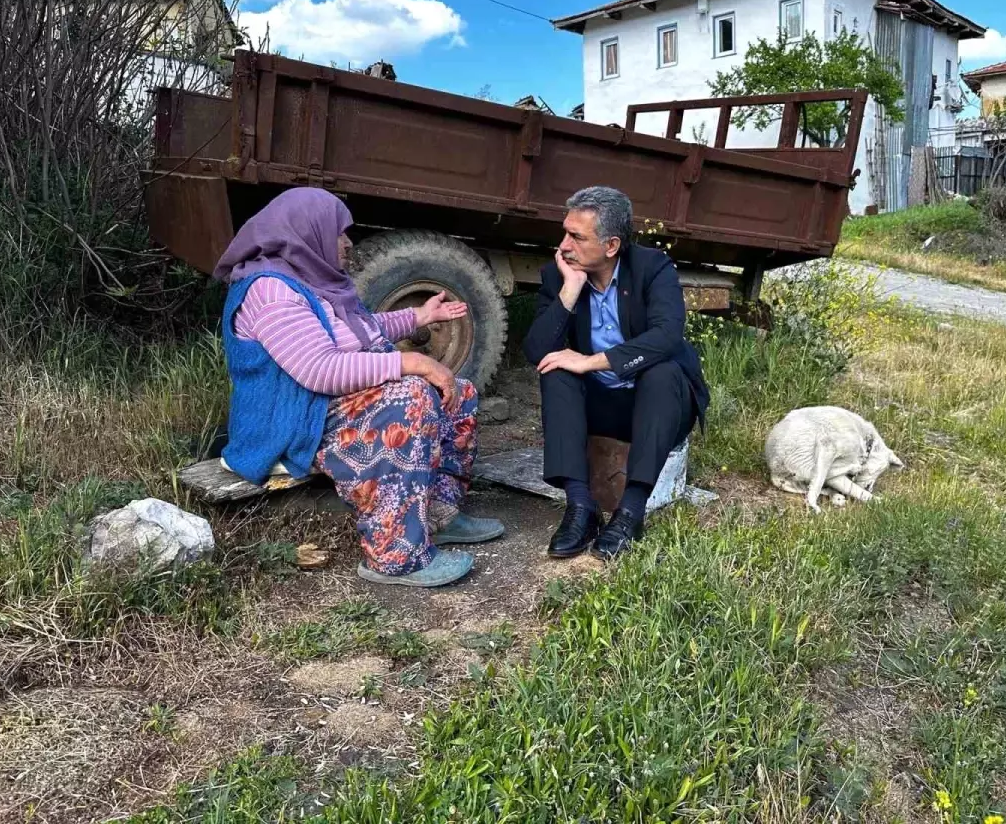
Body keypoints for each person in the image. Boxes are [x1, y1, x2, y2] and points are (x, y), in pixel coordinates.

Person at [212, 187, 504, 588]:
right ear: (308, 232)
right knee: (412, 397)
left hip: (324, 408)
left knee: (460, 392)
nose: (348, 243)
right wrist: (412, 361)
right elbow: (319, 369)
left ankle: (438, 514)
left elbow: (357, 331)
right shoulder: (271, 291)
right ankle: (395, 555)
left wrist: (419, 316)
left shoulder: (311, 279)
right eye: (340, 233)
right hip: (294, 420)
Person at [523, 186, 708, 561]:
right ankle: (580, 509)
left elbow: (666, 336)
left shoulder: (652, 268)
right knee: (556, 368)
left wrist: (590, 361)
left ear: (611, 246)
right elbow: (536, 351)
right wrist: (569, 292)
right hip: (600, 404)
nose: (563, 246)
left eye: (576, 236)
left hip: (655, 404)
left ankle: (629, 514)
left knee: (664, 372)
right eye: (565, 232)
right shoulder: (559, 275)